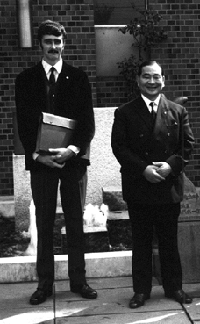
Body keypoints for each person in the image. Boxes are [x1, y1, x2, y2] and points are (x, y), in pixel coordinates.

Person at [15, 20, 97, 305]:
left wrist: (72, 150)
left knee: (75, 221)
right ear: (40, 44)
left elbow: (88, 124)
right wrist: (39, 155)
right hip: (41, 164)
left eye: (58, 42)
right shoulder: (25, 79)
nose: (53, 47)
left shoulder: (78, 78)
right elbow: (24, 125)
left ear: (64, 44)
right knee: (44, 221)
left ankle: (79, 280)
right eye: (48, 42)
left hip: (72, 162)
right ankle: (45, 284)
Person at [111, 60, 195, 309]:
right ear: (138, 80)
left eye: (156, 77)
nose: (151, 82)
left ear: (163, 80)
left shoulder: (177, 111)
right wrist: (143, 169)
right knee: (141, 241)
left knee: (169, 241)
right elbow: (119, 147)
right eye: (146, 77)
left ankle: (174, 287)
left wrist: (171, 165)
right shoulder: (125, 112)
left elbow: (187, 145)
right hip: (139, 187)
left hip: (168, 187)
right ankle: (141, 291)